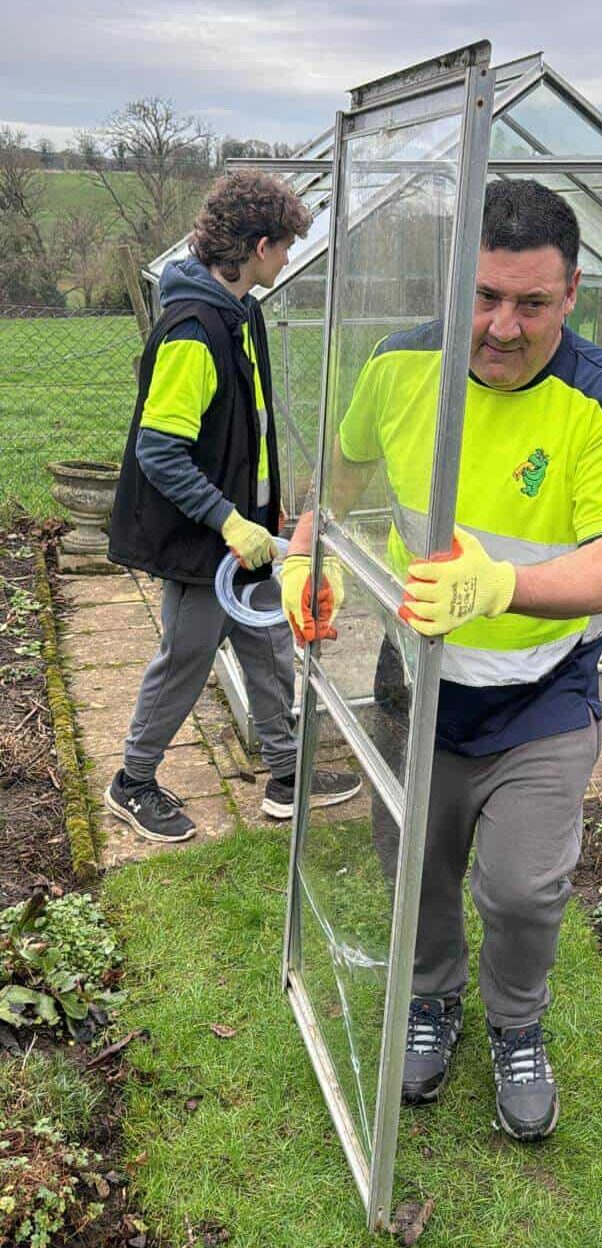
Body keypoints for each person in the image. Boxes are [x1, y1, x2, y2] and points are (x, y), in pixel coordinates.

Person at [282, 180, 602, 1140]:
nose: (501, 325)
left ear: (572, 295)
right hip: (418, 682)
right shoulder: (400, 365)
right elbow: (338, 481)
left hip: (539, 693)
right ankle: (429, 999)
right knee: (413, 863)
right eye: (483, 296)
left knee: (524, 887)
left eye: (531, 303)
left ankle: (517, 1025)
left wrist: (497, 587)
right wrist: (302, 553)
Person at [105, 170, 360, 844]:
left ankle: (284, 775)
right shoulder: (194, 329)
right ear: (258, 244)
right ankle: (131, 782)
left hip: (243, 528)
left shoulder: (237, 312)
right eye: (285, 248)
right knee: (187, 655)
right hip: (199, 537)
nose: (289, 259)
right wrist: (228, 518)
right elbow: (160, 452)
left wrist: (265, 508)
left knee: (269, 640)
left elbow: (250, 424)